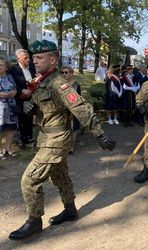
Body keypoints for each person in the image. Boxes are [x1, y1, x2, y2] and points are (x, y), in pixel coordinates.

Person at [9, 40, 116, 241]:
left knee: (29, 180)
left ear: (53, 59)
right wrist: (29, 107)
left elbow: (81, 109)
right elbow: (38, 103)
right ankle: (70, 209)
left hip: (57, 139)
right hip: (46, 137)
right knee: (59, 176)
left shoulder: (59, 83)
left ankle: (34, 221)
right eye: (33, 58)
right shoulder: (42, 80)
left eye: (39, 58)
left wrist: (99, 133)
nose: (35, 61)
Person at [9, 49, 36, 148]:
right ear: (18, 59)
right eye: (25, 58)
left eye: (28, 58)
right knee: (19, 120)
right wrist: (21, 90)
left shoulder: (31, 69)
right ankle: (20, 140)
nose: (28, 60)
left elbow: (34, 81)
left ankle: (29, 137)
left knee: (29, 118)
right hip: (18, 99)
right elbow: (11, 85)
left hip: (30, 98)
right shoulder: (13, 69)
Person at [60, 65, 81, 154]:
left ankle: (71, 147)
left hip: (73, 110)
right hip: (62, 110)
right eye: (62, 72)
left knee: (73, 129)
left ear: (71, 73)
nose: (64, 74)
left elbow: (78, 100)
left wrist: (73, 113)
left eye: (66, 72)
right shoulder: (60, 84)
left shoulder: (76, 85)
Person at [0, 58, 18, 159]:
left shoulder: (10, 77)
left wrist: (13, 93)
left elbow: (15, 89)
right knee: (0, 129)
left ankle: (8, 148)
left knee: (11, 128)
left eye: (1, 65)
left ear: (6, 68)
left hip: (11, 107)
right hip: (0, 108)